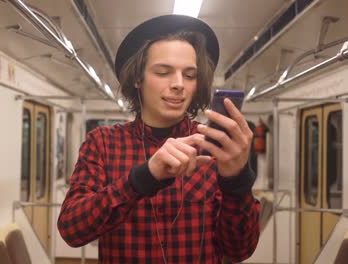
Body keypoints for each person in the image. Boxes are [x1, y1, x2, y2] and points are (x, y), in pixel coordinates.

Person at [58, 15, 260, 263]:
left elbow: (238, 250)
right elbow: (71, 230)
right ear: (137, 78)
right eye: (164, 72)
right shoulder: (103, 143)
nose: (178, 84)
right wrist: (141, 178)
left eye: (189, 75)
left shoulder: (213, 145)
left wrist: (236, 182)